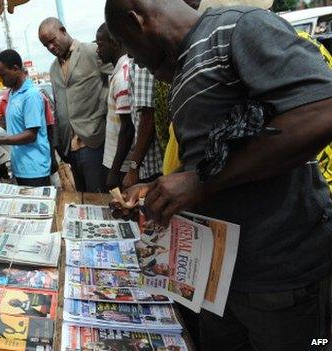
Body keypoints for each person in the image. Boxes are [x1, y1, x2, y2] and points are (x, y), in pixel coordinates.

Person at [105, 1, 332, 350]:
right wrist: (158, 188)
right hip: (222, 281)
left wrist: (200, 181)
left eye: (129, 48)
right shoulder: (184, 71)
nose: (134, 61)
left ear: (137, 22)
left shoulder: (239, 29)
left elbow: (322, 111)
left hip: (282, 280)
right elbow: (212, 157)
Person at [39, 17, 110, 193]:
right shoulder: (53, 69)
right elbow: (57, 107)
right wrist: (58, 143)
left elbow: (118, 78)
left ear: (63, 30)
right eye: (45, 45)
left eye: (52, 41)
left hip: (94, 141)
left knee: (99, 198)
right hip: (69, 148)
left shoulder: (92, 52)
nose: (50, 47)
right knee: (82, 199)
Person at [0, 50, 52, 186]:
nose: (0, 80)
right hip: (20, 167)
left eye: (3, 75)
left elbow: (30, 135)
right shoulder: (12, 94)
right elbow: (12, 125)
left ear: (16, 69)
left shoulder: (31, 95)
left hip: (35, 169)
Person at [94, 24, 135, 190]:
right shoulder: (117, 72)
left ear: (115, 43)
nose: (97, 50)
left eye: (100, 44)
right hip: (114, 160)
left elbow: (127, 129)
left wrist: (114, 170)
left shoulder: (122, 78)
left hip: (121, 165)